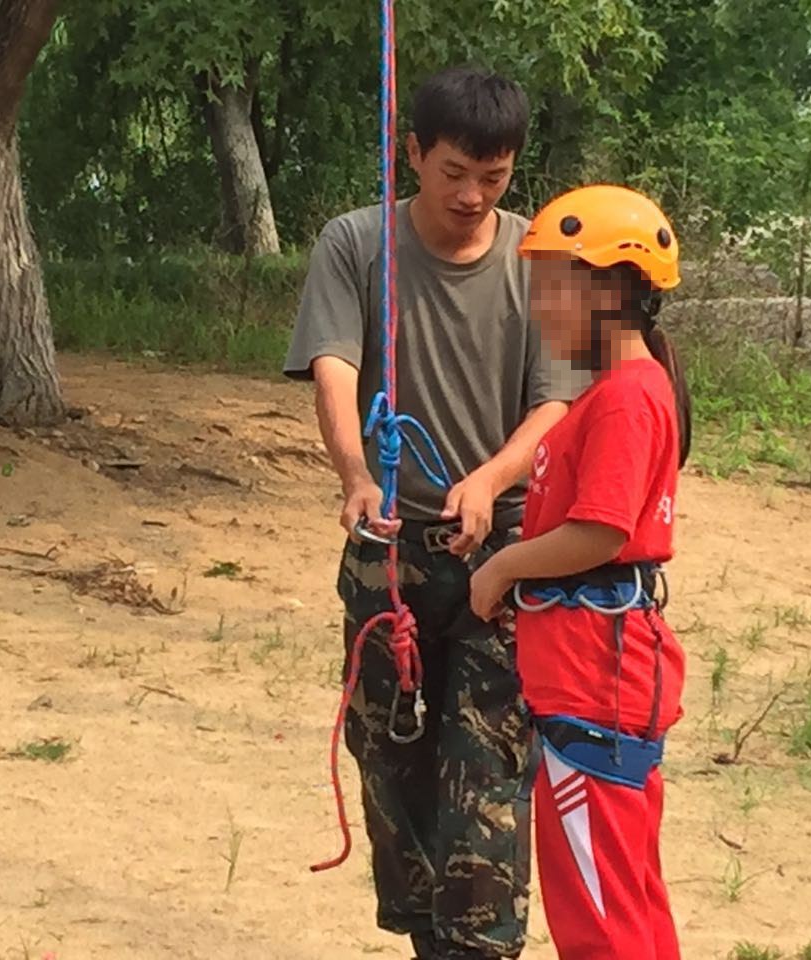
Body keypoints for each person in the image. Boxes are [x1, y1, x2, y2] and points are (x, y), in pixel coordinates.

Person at [284, 66, 572, 960]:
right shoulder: (355, 243)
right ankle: (427, 940)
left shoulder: (541, 257)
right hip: (390, 553)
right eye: (453, 171)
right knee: (394, 766)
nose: (472, 195)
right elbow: (334, 365)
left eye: (494, 176)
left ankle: (480, 945)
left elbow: (556, 404)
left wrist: (488, 482)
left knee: (486, 770)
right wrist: (354, 474)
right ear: (412, 152)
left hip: (504, 556)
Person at [468, 184, 690, 959]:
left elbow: (600, 530)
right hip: (593, 673)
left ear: (607, 286)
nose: (538, 308)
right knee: (624, 896)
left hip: (595, 683)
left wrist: (503, 570)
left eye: (549, 285)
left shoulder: (626, 398)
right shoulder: (621, 390)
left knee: (599, 919)